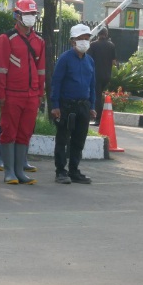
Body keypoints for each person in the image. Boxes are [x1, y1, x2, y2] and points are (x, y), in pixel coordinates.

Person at [0, 0, 45, 185]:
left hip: (31, 95)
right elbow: (0, 68)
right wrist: (0, 94)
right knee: (9, 131)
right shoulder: (6, 39)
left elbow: (41, 70)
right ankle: (9, 172)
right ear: (17, 15)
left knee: (25, 133)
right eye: (27, 14)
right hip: (12, 94)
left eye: (33, 14)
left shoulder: (39, 41)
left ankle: (19, 171)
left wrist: (39, 94)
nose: (31, 17)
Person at [50, 23, 95, 184]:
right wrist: (55, 105)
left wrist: (92, 106)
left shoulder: (89, 61)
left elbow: (92, 84)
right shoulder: (65, 59)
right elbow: (56, 82)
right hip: (66, 105)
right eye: (80, 39)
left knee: (79, 140)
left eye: (86, 38)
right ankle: (61, 171)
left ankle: (74, 170)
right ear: (72, 41)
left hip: (83, 105)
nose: (84, 42)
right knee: (63, 139)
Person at [87, 27, 117, 127]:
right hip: (107, 75)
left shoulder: (93, 45)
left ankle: (98, 119)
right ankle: (99, 117)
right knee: (100, 96)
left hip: (96, 75)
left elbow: (88, 60)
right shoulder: (111, 45)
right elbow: (114, 61)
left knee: (97, 96)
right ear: (106, 34)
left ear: (98, 34)